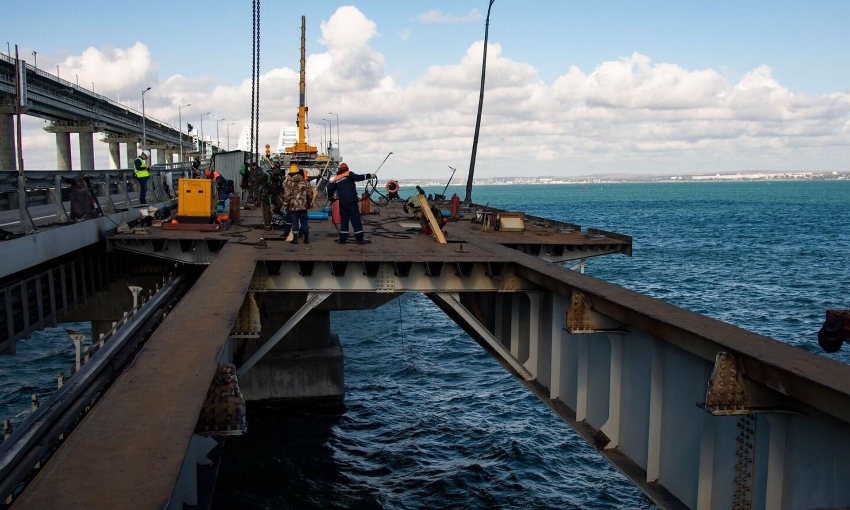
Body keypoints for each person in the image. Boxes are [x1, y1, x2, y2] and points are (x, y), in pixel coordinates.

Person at [326, 162, 372, 244]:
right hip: (352, 202)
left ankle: (343, 239)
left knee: (344, 221)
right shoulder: (349, 174)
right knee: (355, 220)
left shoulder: (336, 178)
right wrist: (369, 175)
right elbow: (358, 177)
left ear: (339, 169)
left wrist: (331, 198)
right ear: (347, 169)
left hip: (343, 203)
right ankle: (359, 239)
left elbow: (330, 189)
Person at [283, 163, 315, 244]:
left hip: (293, 207)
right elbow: (310, 193)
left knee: (295, 222)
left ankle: (295, 239)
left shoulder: (289, 183)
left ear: (291, 174)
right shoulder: (305, 182)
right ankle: (306, 238)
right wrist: (309, 202)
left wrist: (285, 205)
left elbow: (287, 195)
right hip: (303, 206)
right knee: (304, 222)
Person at [260, 164, 284, 231]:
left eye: (278, 176)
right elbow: (259, 183)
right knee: (266, 211)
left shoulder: (279, 179)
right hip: (265, 196)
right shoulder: (266, 177)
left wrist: (284, 198)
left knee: (280, 204)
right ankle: (267, 225)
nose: (277, 177)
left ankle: (276, 211)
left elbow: (280, 190)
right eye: (276, 175)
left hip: (274, 195)